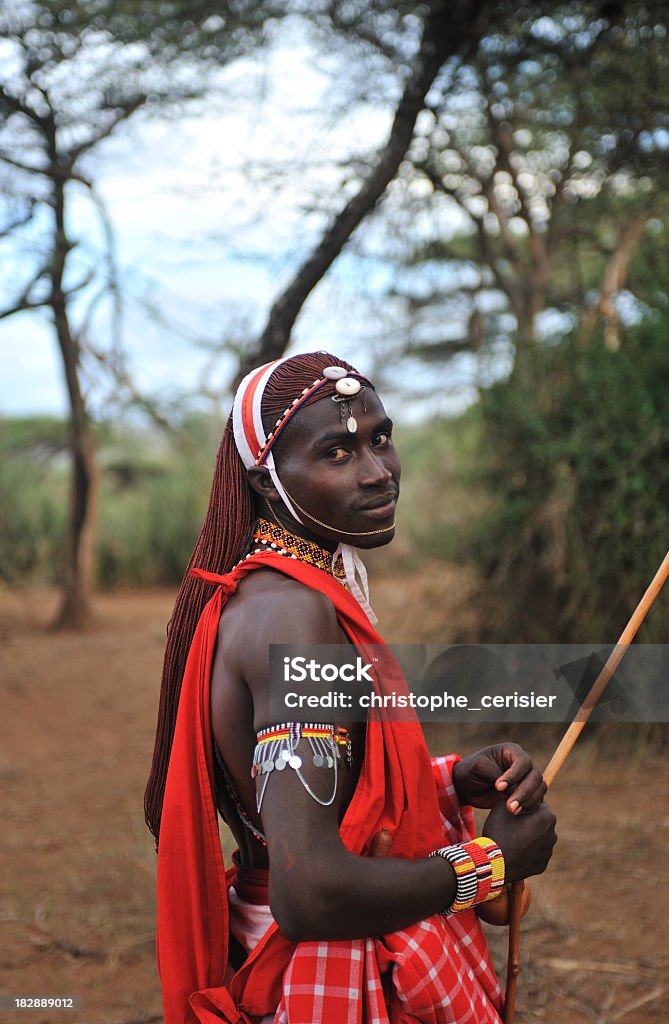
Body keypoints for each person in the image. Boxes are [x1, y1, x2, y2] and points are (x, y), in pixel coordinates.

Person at [144, 352, 557, 1024]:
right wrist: (488, 865)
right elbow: (310, 891)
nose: (376, 472)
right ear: (267, 480)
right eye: (335, 452)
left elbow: (323, 800)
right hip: (329, 974)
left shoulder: (290, 591)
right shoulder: (292, 614)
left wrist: (449, 782)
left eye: (380, 439)